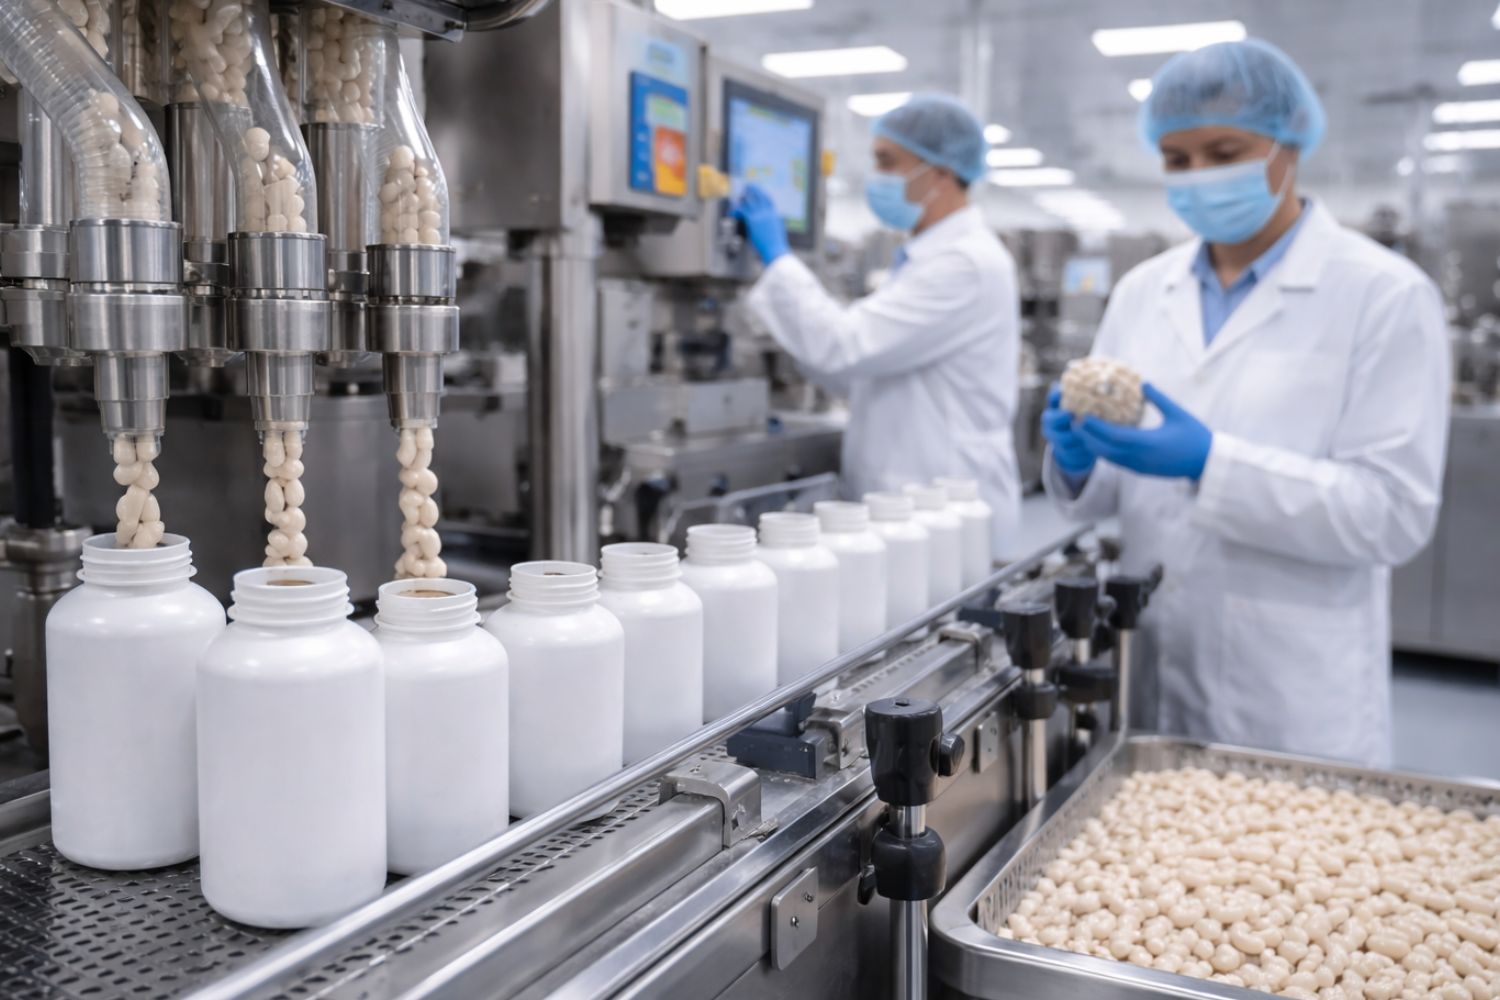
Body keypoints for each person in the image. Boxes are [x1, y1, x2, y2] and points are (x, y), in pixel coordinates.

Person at [1042, 39, 1449, 767]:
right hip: (1152, 662)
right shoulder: (1143, 291)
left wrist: (1212, 463)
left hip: (1288, 693)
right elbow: (1106, 493)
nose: (1198, 175)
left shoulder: (1384, 294)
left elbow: (1393, 514)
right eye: (1176, 158)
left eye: (1224, 150)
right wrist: (1075, 462)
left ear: (1289, 143)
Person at [731, 94, 1022, 561]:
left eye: (888, 162)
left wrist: (777, 257)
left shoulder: (963, 263)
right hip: (915, 512)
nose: (877, 177)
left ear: (941, 174)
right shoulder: (926, 257)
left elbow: (844, 345)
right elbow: (855, 373)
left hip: (943, 518)